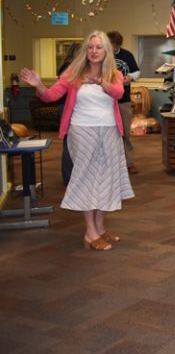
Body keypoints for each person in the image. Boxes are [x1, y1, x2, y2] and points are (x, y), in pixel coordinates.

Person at [20, 31, 134, 251]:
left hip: (109, 131)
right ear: (86, 50)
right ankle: (90, 232)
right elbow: (51, 96)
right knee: (89, 178)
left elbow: (118, 93)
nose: (93, 51)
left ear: (106, 51)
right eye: (90, 47)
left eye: (98, 47)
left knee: (107, 179)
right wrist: (39, 85)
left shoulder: (113, 73)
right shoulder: (74, 72)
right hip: (82, 131)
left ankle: (100, 228)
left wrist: (100, 81)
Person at [106, 31, 140, 175]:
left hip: (123, 100)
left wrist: (129, 77)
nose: (112, 49)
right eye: (110, 45)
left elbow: (137, 72)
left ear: (119, 45)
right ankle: (110, 165)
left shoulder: (127, 55)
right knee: (108, 134)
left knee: (125, 133)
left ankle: (129, 163)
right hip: (106, 101)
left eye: (114, 46)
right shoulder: (102, 55)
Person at [57, 41, 81, 186]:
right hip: (67, 107)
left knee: (72, 142)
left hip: (67, 106)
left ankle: (71, 175)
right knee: (69, 142)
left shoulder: (66, 66)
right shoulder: (69, 68)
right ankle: (69, 176)